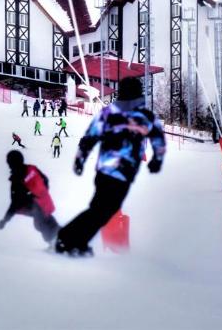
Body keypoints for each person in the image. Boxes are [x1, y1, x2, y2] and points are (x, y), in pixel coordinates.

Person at [54, 76, 166, 257]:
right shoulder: (145, 117)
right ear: (139, 93)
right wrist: (157, 161)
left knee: (101, 210)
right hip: (122, 173)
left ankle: (75, 241)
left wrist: (80, 159)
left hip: (106, 170)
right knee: (101, 210)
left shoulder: (109, 113)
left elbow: (90, 137)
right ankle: (66, 239)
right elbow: (158, 141)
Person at [0, 150, 59, 244]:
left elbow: (15, 204)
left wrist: (5, 220)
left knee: (40, 224)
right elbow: (45, 180)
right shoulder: (32, 168)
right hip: (45, 201)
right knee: (48, 221)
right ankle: (64, 238)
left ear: (11, 163)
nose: (8, 165)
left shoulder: (17, 181)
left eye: (8, 162)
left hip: (36, 208)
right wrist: (42, 194)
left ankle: (56, 244)